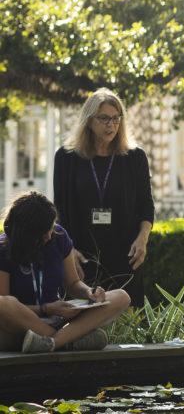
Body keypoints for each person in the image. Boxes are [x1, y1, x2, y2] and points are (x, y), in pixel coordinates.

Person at [53, 88, 154, 305]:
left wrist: (142, 239)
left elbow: (146, 204)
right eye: (104, 118)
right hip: (81, 253)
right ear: (89, 121)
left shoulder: (135, 157)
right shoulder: (66, 157)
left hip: (125, 252)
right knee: (86, 320)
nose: (111, 125)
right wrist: (68, 251)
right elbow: (58, 210)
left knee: (128, 323)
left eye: (116, 119)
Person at [0, 191, 131, 353]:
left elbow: (73, 284)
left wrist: (89, 292)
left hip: (59, 318)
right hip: (22, 324)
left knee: (121, 297)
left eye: (50, 227)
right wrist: (46, 309)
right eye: (44, 232)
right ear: (27, 233)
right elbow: (5, 307)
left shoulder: (59, 236)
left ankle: (52, 342)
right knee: (3, 303)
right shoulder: (3, 249)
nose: (49, 235)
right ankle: (69, 340)